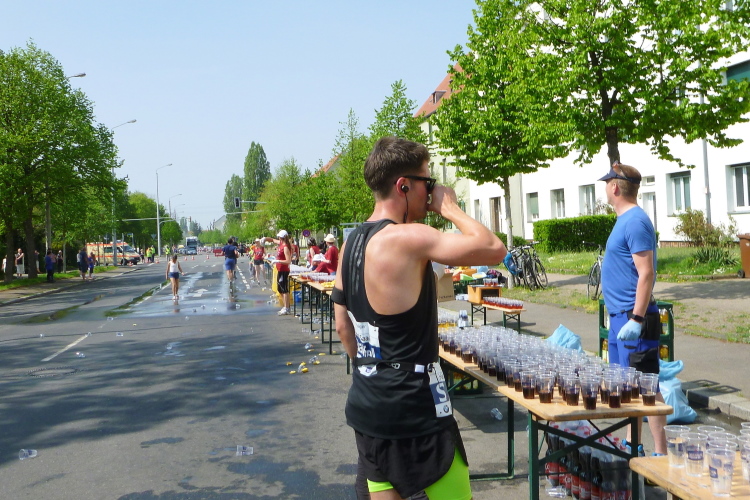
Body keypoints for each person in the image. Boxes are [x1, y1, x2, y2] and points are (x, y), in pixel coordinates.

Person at [332, 136, 506, 500]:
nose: (431, 192)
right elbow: (494, 249)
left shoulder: (351, 244)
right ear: (404, 186)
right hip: (416, 412)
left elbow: (343, 325)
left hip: (367, 407)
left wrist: (375, 372)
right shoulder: (408, 238)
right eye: (428, 182)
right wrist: (450, 208)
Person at [600, 160, 667, 457]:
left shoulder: (636, 221)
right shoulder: (624, 219)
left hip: (633, 317)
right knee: (628, 386)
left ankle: (661, 454)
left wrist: (637, 318)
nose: (606, 188)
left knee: (648, 387)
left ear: (615, 187)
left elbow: (647, 273)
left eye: (607, 183)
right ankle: (632, 443)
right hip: (620, 318)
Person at [261, 230, 292, 315]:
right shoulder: (281, 243)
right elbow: (273, 240)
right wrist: (265, 238)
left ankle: (287, 308)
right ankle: (286, 306)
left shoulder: (285, 247)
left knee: (284, 289)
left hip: (284, 270)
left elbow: (288, 261)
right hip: (280, 269)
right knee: (280, 289)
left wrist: (278, 261)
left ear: (281, 237)